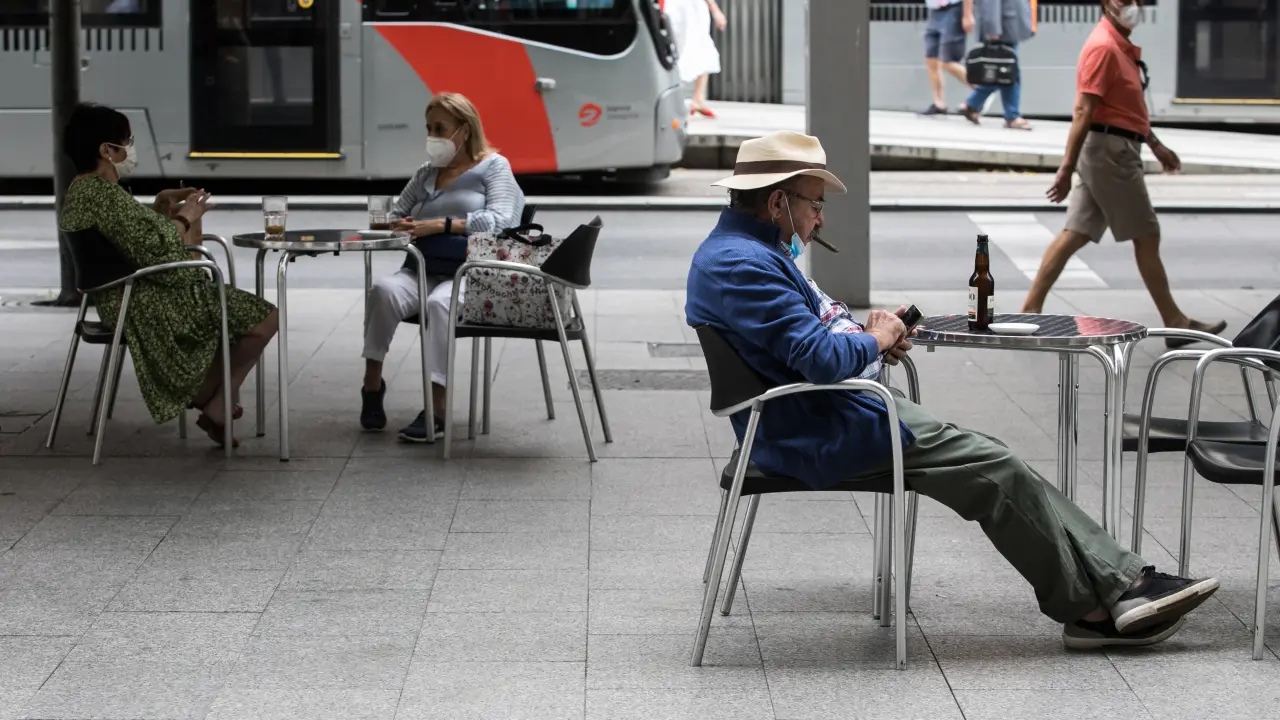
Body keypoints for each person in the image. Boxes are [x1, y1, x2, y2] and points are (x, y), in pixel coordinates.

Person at [686, 130, 1221, 650]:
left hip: (826, 413)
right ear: (778, 202)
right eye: (815, 204)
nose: (819, 219)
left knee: (997, 460)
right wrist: (875, 340)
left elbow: (804, 342)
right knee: (996, 469)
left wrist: (867, 336)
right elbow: (820, 360)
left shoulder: (748, 251)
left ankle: (1120, 585)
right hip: (815, 428)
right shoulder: (742, 264)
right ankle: (1095, 609)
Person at [57, 103, 278, 447]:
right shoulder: (101, 194)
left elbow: (130, 239)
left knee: (233, 314)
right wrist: (187, 216)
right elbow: (154, 248)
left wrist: (161, 204)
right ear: (106, 150)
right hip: (143, 300)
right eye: (126, 141)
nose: (130, 149)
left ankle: (208, 395)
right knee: (265, 319)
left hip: (123, 295)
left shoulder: (86, 190)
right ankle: (216, 400)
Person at [1023, 0, 1225, 347]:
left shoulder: (1119, 46)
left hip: (1111, 148)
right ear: (1106, 4)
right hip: (1111, 154)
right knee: (1146, 234)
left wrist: (1155, 145)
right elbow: (1084, 110)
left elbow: (1126, 109)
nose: (1132, 6)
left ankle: (1029, 310)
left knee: (1076, 232)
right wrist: (1066, 168)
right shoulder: (1103, 47)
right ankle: (1174, 321)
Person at [360, 93, 525, 442]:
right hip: (421, 267)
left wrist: (440, 224)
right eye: (429, 128)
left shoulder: (494, 167)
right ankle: (371, 385)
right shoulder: (427, 172)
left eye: (440, 128)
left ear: (464, 130)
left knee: (439, 304)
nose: (432, 136)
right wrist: (399, 224)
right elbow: (396, 212)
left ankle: (437, 408)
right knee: (383, 291)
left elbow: (502, 220)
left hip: (470, 271)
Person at [958, 0, 1034, 130]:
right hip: (1004, 26)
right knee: (1008, 72)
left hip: (1007, 24)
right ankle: (1011, 116)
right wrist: (992, 29)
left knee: (1005, 72)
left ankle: (972, 104)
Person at [666, 0, 726, 118]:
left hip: (673, 6)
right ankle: (696, 99)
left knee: (675, 49)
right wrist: (715, 9)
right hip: (692, 7)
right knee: (701, 47)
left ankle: (693, 99)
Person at [919, 0, 974, 116]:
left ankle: (980, 90)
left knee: (947, 62)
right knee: (931, 59)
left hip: (954, 8)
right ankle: (939, 103)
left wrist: (967, 14)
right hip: (935, 9)